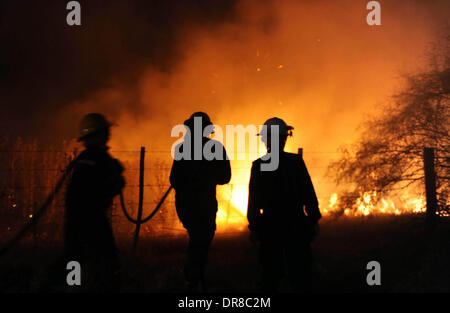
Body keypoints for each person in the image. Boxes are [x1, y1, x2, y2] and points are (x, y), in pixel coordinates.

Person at [247, 117, 321, 292]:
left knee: (270, 276)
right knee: (300, 275)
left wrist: (255, 227)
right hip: (296, 224)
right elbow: (308, 193)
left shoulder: (259, 166)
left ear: (265, 139)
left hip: (269, 227)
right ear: (284, 138)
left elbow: (254, 202)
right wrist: (313, 219)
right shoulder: (296, 163)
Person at [170, 112, 231, 292]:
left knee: (197, 241)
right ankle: (194, 280)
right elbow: (225, 176)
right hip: (203, 205)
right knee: (201, 242)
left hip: (186, 206)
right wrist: (206, 176)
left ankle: (194, 279)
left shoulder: (182, 149)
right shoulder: (215, 148)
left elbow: (174, 180)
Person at [64, 113, 125, 292]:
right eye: (106, 131)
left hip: (74, 222)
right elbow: (110, 188)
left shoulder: (83, 159)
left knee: (74, 260)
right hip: (94, 221)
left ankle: (71, 288)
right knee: (107, 263)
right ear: (98, 134)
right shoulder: (101, 159)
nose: (109, 134)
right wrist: (117, 176)